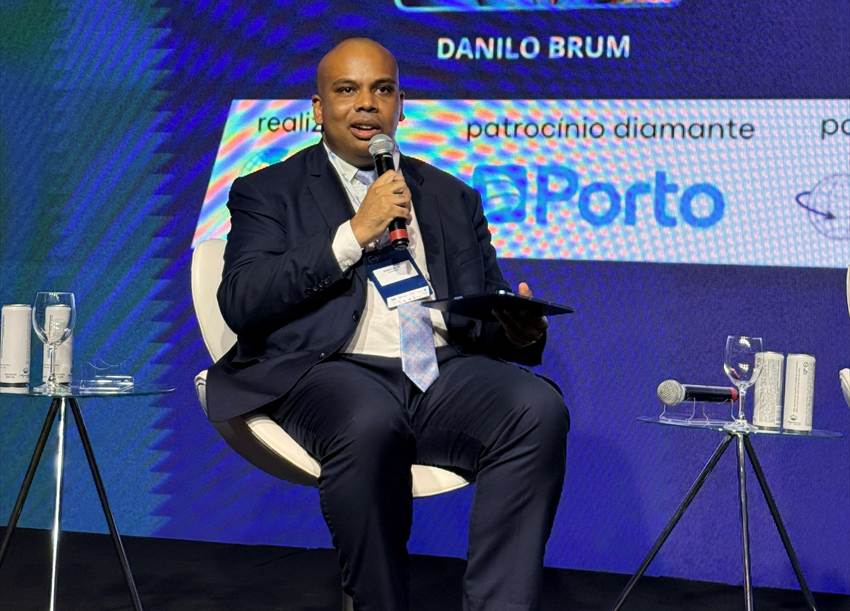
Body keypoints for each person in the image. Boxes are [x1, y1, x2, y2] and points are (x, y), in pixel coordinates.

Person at [207, 37, 569, 611]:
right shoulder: (268, 191)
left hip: (437, 374)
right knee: (370, 419)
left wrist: (517, 329)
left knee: (536, 408)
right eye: (346, 90)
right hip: (326, 371)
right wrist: (354, 233)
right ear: (318, 108)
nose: (366, 104)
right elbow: (243, 300)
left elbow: (478, 317)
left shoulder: (451, 196)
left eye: (382, 89)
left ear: (401, 105)